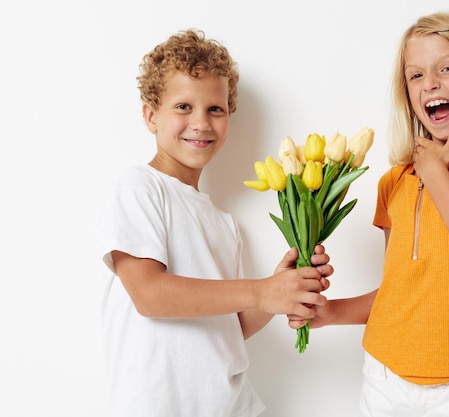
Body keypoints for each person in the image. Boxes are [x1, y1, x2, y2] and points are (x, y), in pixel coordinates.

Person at [289, 12, 449, 416]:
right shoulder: (395, 182)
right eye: (416, 75)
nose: (431, 83)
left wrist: (435, 172)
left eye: (447, 68)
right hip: (383, 381)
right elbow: (399, 290)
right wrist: (329, 313)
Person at [97, 29, 332, 417]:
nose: (201, 123)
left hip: (232, 405)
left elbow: (230, 326)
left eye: (215, 109)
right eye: (184, 107)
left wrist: (281, 291)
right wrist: (261, 291)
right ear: (150, 114)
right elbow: (149, 295)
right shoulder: (139, 188)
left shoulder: (223, 223)